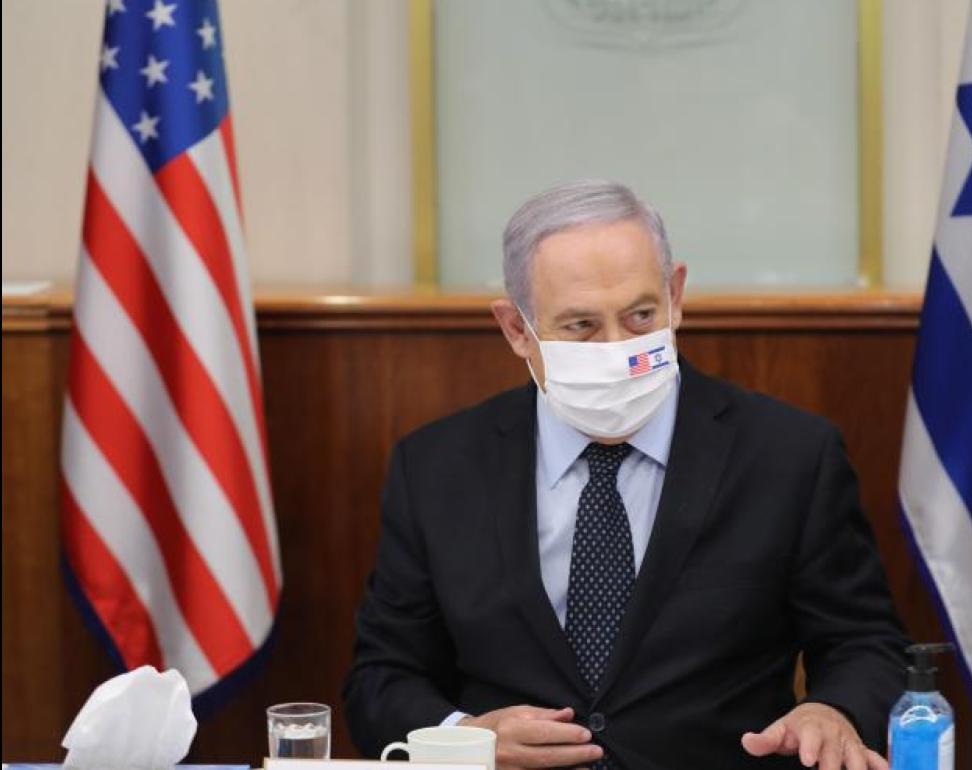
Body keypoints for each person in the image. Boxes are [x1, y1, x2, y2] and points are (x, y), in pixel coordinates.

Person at [344, 181, 909, 769]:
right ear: (516, 329)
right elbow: (382, 677)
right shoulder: (437, 467)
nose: (619, 350)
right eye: (581, 326)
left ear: (676, 296)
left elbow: (866, 644)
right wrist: (465, 740)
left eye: (641, 316)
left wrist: (833, 712)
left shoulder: (789, 455)